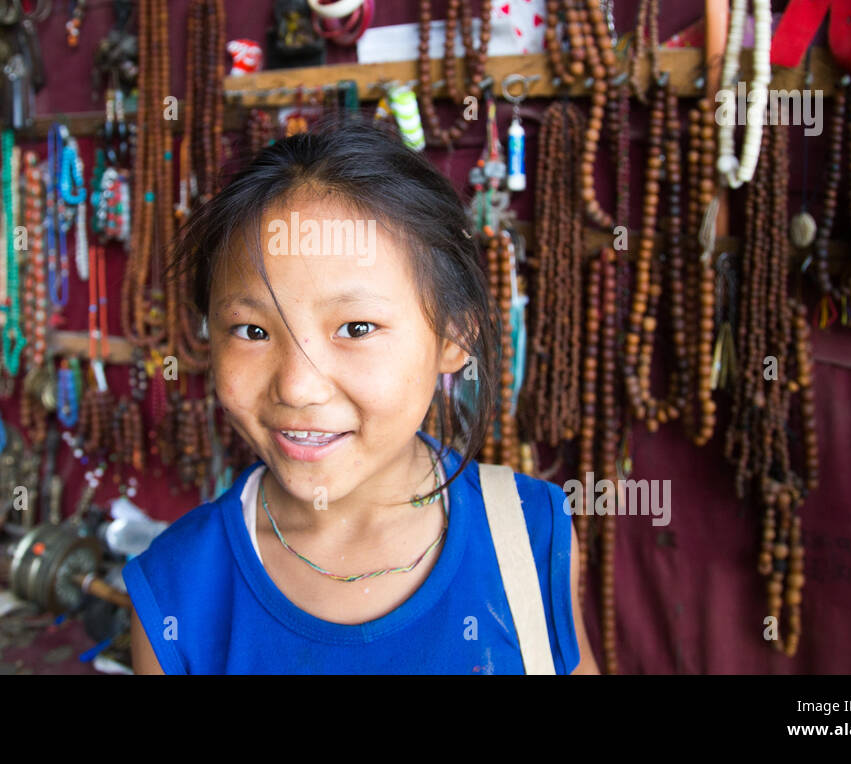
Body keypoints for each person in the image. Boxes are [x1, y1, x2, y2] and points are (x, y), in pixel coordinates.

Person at [123, 112, 597, 673]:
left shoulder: (533, 535)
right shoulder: (174, 593)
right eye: (253, 331)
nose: (298, 387)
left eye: (356, 328)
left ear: (454, 339)